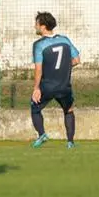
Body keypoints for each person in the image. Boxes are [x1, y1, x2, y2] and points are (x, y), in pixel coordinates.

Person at [31, 11, 81, 149]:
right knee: (69, 110)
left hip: (47, 86)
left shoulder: (39, 45)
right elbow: (76, 60)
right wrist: (63, 66)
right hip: (64, 85)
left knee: (35, 108)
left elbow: (38, 69)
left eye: (36, 24)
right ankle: (70, 142)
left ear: (42, 26)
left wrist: (36, 88)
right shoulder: (64, 40)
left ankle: (42, 134)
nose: (35, 27)